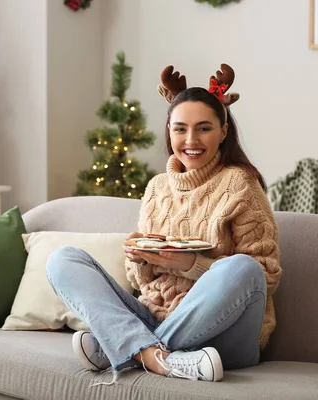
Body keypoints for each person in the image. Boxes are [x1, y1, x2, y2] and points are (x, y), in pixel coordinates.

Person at [46, 64, 281, 384]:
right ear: (169, 131)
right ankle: (157, 357)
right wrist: (140, 259)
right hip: (154, 316)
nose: (191, 140)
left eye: (204, 128)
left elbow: (264, 275)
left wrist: (191, 264)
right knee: (63, 259)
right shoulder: (157, 188)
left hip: (228, 337)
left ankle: (127, 348)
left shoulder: (241, 184)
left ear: (223, 132)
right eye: (180, 128)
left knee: (242, 267)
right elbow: (141, 285)